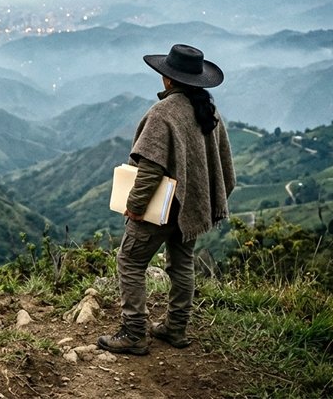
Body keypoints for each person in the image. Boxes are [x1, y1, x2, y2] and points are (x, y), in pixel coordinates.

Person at [97, 44, 236, 355]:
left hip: (162, 209)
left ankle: (134, 333)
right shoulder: (208, 110)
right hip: (191, 206)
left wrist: (134, 207)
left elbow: (150, 169)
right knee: (182, 263)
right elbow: (220, 163)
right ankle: (176, 328)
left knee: (130, 261)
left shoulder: (163, 113)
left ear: (169, 80)